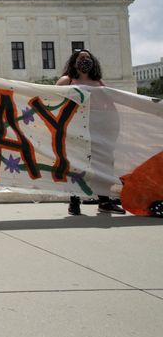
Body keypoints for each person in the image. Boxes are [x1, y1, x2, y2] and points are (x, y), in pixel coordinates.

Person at [56, 49, 125, 215]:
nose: (85, 59)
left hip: (100, 129)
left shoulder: (98, 82)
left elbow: (110, 105)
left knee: (104, 164)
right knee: (75, 164)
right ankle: (74, 201)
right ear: (74, 62)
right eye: (81, 57)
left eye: (88, 57)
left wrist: (113, 127)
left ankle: (104, 200)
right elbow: (54, 101)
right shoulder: (67, 80)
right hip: (76, 128)